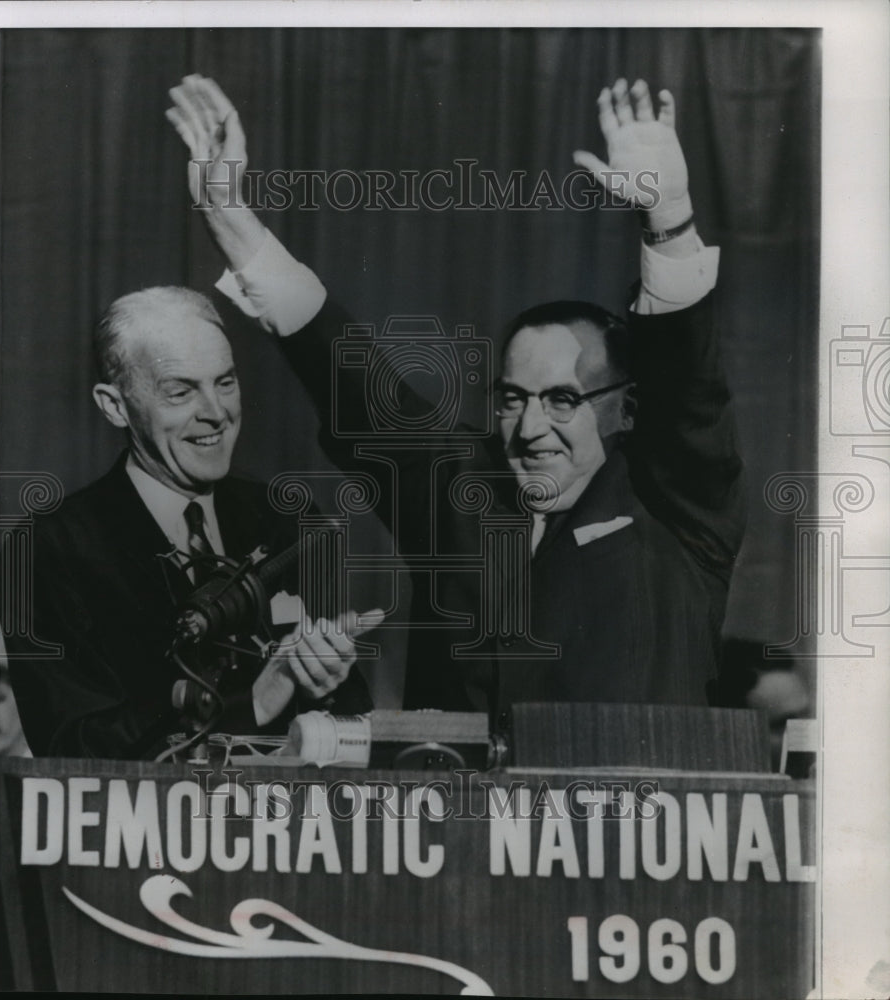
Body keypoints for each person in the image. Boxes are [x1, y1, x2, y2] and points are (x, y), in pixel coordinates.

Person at [166, 74, 746, 736]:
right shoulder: (460, 488)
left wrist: (669, 224)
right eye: (511, 400)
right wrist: (230, 220)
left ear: (627, 410)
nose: (530, 430)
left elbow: (689, 393)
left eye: (562, 400)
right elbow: (348, 373)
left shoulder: (676, 504)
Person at [1, 283, 379, 759]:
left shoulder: (291, 521)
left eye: (225, 382)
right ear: (114, 405)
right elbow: (72, 744)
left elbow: (353, 718)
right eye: (181, 392)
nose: (217, 413)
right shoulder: (52, 547)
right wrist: (252, 703)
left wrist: (324, 682)